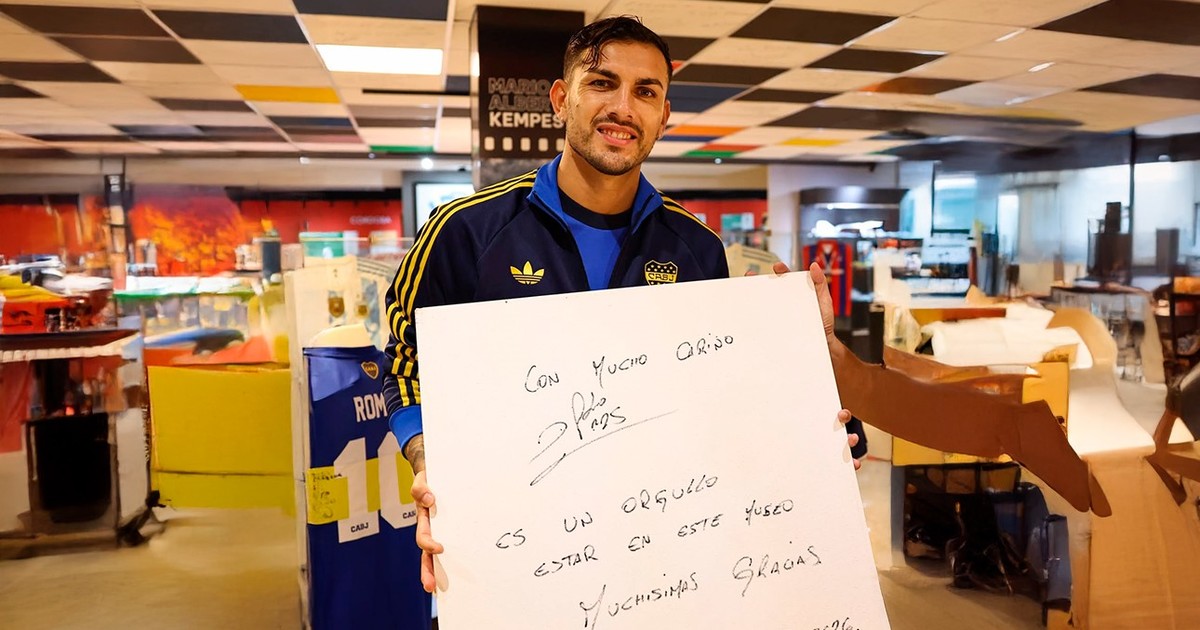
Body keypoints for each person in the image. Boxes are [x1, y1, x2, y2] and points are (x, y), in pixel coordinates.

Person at [382, 15, 862, 594]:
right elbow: (406, 361)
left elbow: (717, 397)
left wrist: (814, 388)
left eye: (646, 92)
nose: (623, 108)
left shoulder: (697, 249)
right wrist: (429, 460)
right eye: (602, 83)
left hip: (658, 551)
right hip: (516, 548)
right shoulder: (465, 230)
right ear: (561, 99)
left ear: (664, 115)